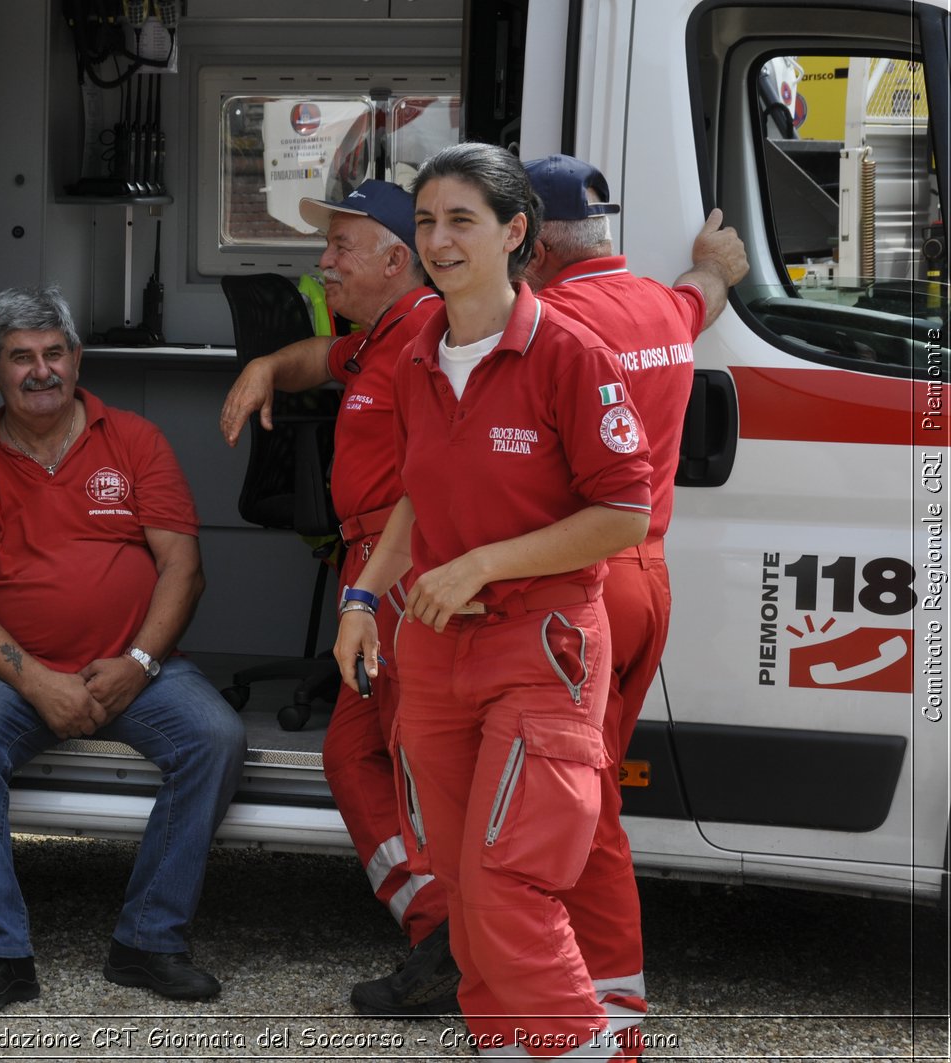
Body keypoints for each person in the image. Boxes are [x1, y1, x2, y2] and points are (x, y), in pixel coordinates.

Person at [334, 141, 653, 1059]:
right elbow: (414, 496)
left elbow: (623, 514)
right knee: (464, 891)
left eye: (460, 219)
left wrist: (481, 566)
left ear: (517, 232)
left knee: (510, 884)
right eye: (426, 220)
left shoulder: (569, 354)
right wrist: (362, 595)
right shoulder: (417, 351)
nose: (438, 239)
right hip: (434, 655)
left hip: (540, 648)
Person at [0, 286, 247, 1016]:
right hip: (17, 676)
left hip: (136, 664)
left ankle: (148, 939)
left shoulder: (133, 439)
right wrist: (39, 683)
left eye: (53, 353)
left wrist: (137, 664)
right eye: (20, 358)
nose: (40, 371)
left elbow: (182, 568)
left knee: (216, 736)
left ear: (75, 358)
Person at [522, 153, 748, 1055]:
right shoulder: (660, 304)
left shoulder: (553, 323)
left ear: (531, 244)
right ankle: (604, 999)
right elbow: (704, 294)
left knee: (577, 804)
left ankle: (602, 1011)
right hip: (649, 576)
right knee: (594, 790)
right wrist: (713, 260)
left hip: (586, 580)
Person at [217, 179, 456, 1014]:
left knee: (413, 764)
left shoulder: (432, 336)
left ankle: (469, 942)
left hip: (400, 579)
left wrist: (372, 584)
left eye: (340, 250)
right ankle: (443, 932)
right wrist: (265, 366)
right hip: (366, 575)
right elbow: (321, 358)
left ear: (399, 259)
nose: (322, 267)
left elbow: (439, 482)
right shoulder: (382, 332)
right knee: (354, 755)